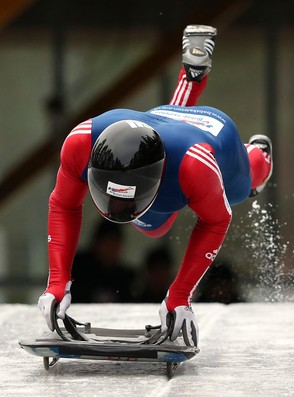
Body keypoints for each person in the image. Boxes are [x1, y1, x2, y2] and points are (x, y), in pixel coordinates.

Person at [38, 25, 273, 347]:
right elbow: (63, 203)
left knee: (242, 189)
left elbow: (216, 220)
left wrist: (180, 295)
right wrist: (56, 282)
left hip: (217, 139)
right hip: (160, 121)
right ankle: (191, 77)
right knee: (154, 227)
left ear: (158, 180)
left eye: (127, 198)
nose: (117, 208)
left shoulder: (196, 167)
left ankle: (258, 154)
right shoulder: (81, 142)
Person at [71, 220, 136, 303]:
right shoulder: (77, 268)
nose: (111, 249)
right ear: (97, 243)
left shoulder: (124, 277)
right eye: (108, 243)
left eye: (115, 244)